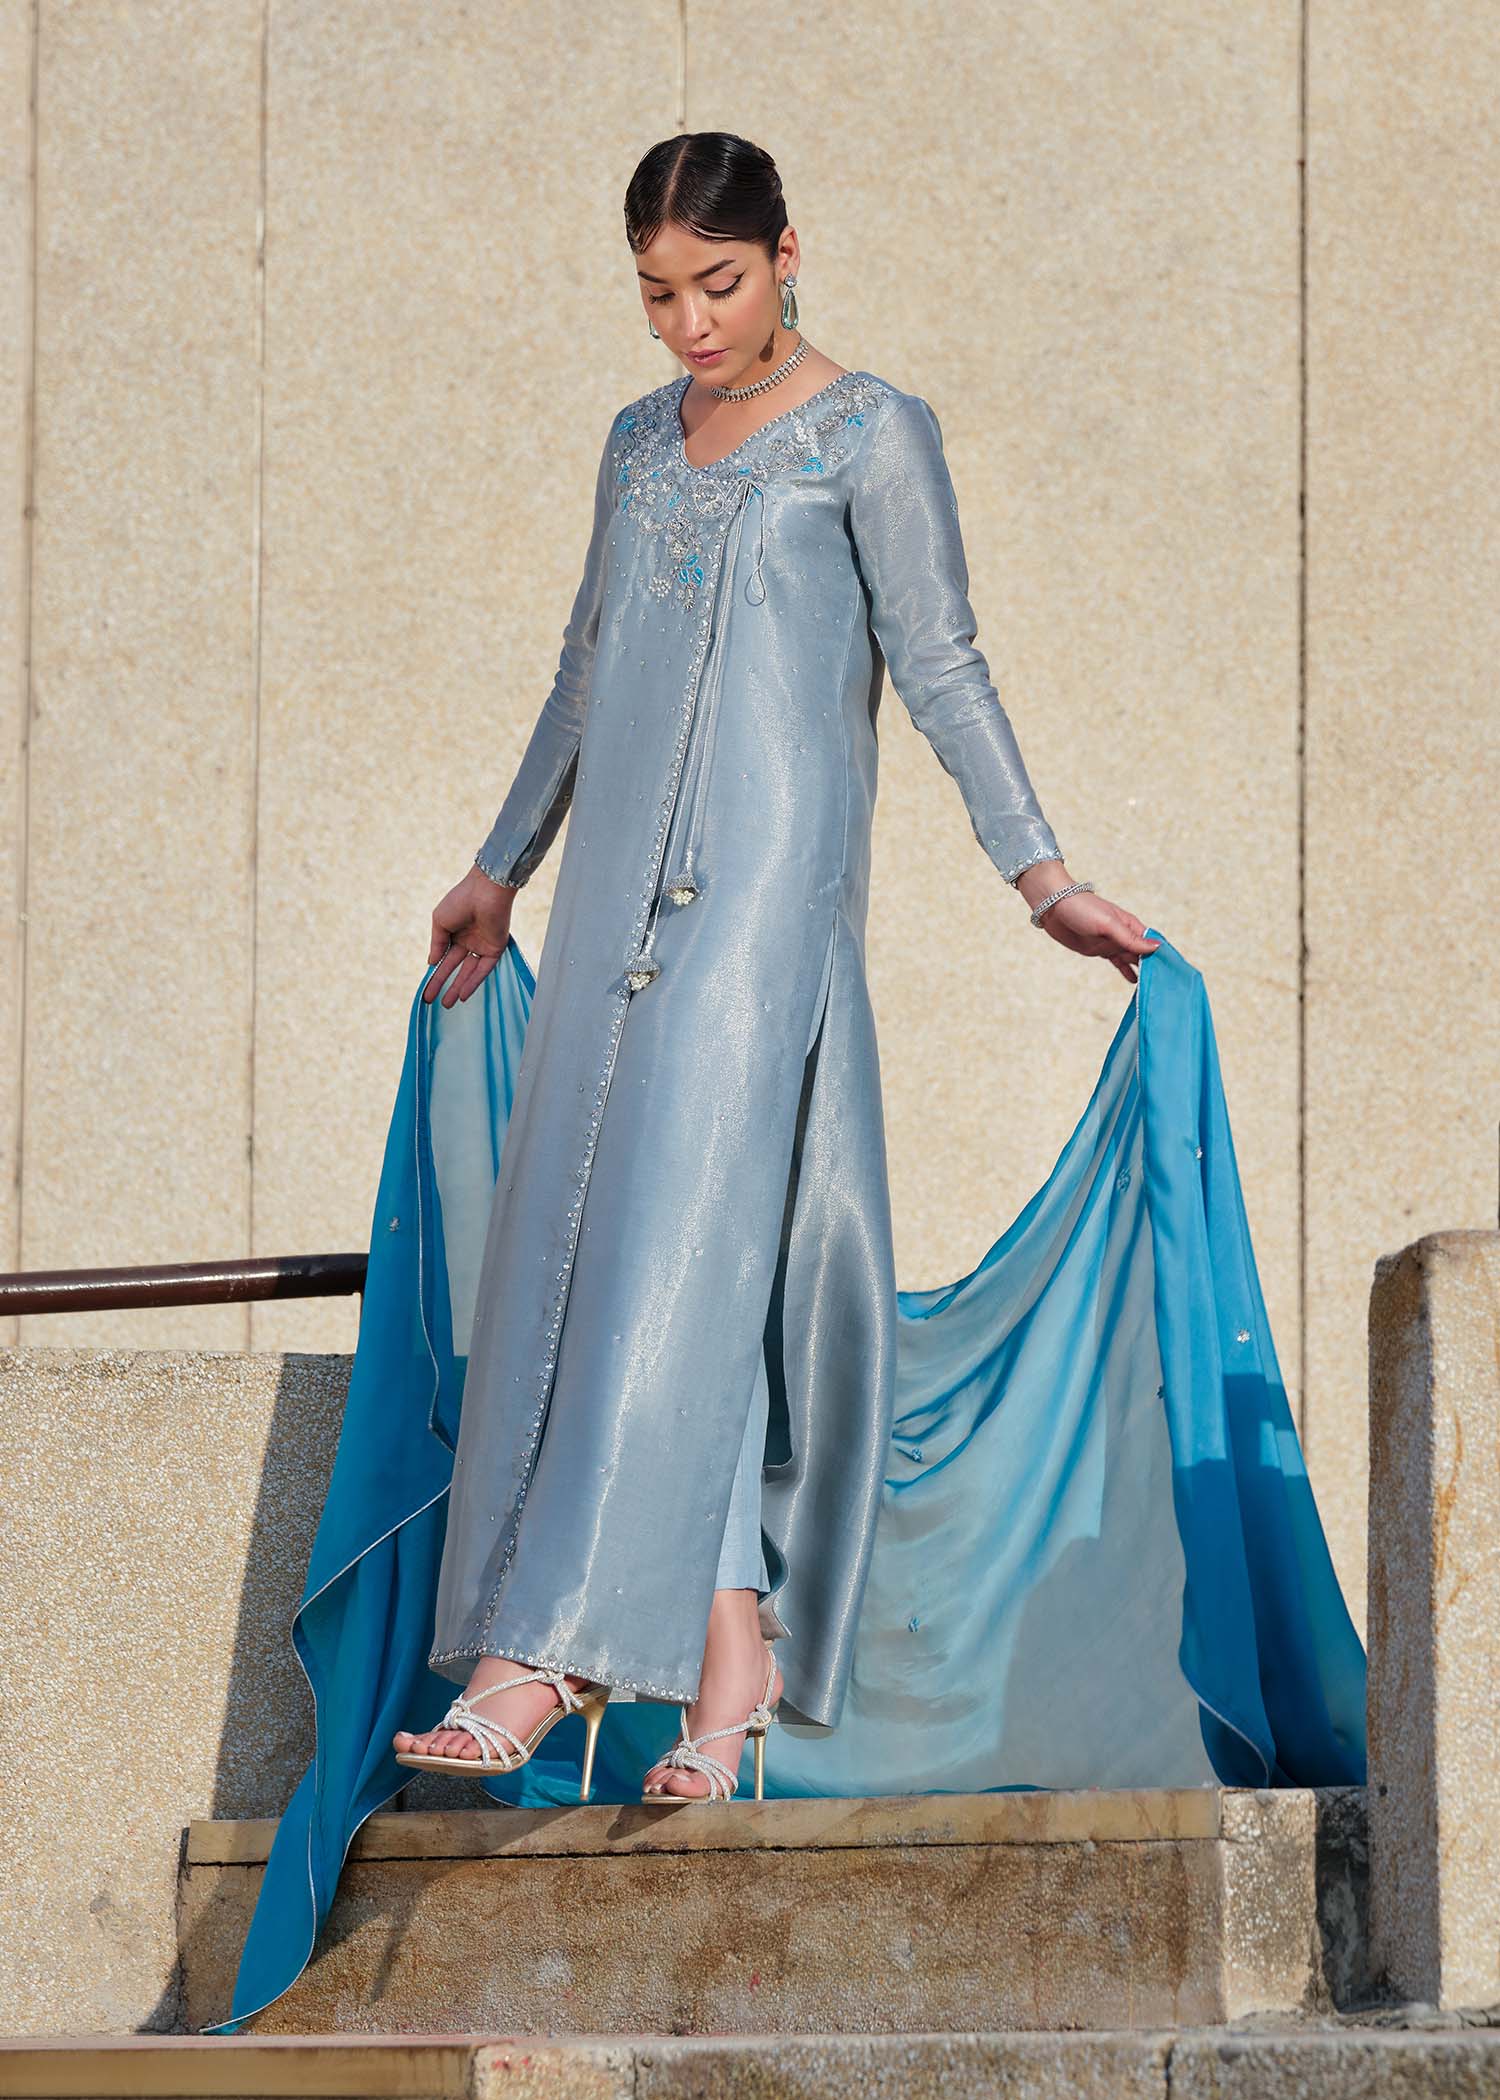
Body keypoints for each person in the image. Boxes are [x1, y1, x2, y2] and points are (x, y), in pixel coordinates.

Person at [387, 128, 1164, 1803]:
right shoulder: (635, 441)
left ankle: (547, 1654)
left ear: (788, 253)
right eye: (657, 295)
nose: (690, 325)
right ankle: (728, 1674)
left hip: (763, 910)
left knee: (671, 1241)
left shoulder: (872, 433)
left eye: (719, 284)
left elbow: (941, 661)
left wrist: (1042, 877)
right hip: (611, 907)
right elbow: (586, 671)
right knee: (632, 1256)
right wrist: (500, 869)